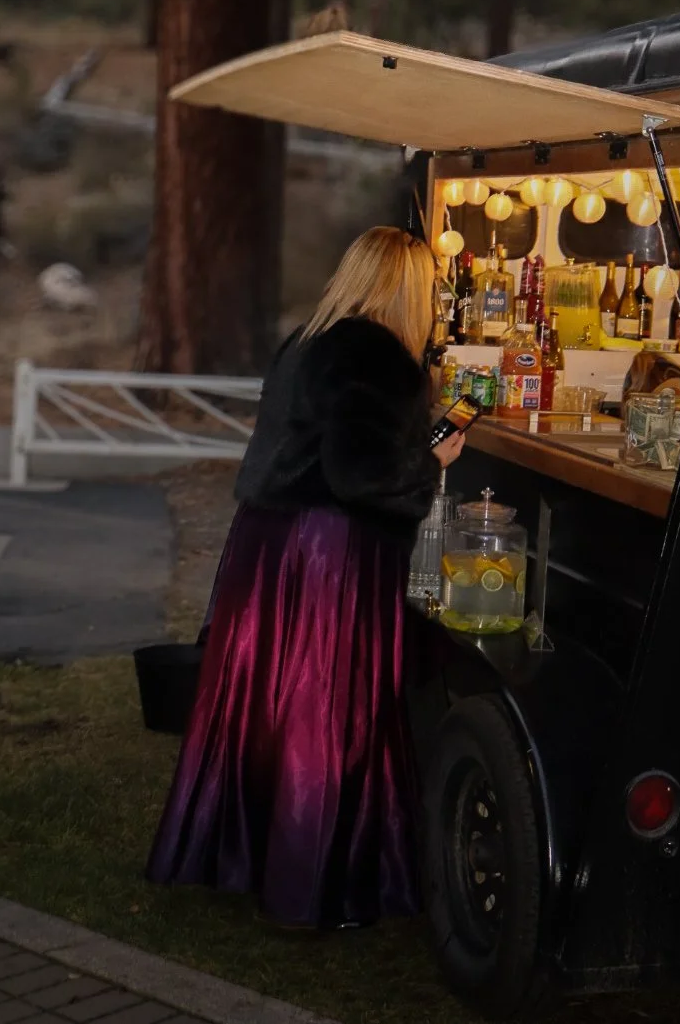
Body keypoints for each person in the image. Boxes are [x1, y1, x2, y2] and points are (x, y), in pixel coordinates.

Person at [146, 226, 465, 930]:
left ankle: (246, 857)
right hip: (331, 553)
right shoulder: (377, 354)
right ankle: (314, 882)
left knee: (261, 704)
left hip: (267, 541)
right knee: (329, 710)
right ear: (407, 288)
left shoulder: (307, 339)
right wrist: (431, 461)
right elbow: (360, 472)